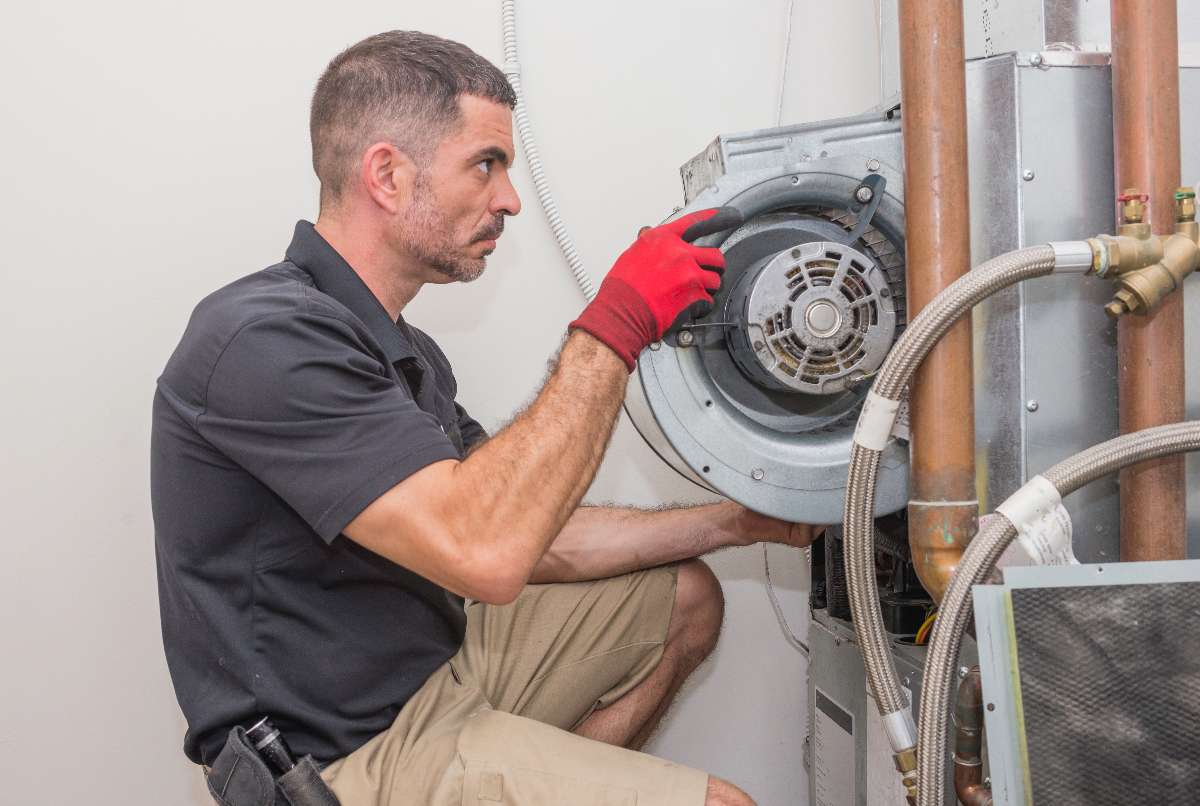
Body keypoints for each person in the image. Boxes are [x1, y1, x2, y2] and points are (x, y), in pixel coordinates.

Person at [152, 30, 817, 806]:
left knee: (685, 596)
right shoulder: (264, 342)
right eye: (485, 164)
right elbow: (489, 551)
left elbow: (541, 540)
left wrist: (735, 522)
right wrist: (618, 321)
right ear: (387, 175)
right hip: (347, 759)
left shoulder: (404, 349)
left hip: (434, 672)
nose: (508, 198)